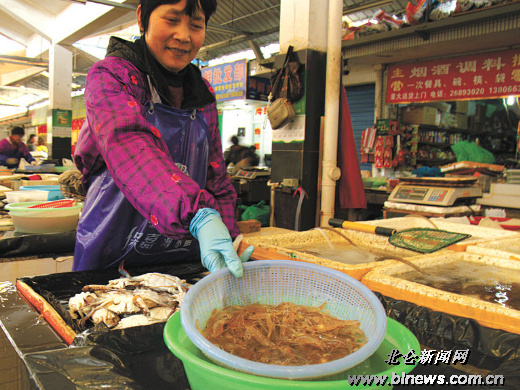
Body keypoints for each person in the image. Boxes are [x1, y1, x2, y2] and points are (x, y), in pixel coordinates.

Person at [73, 0, 253, 276]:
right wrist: (199, 215)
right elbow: (128, 143)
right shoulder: (110, 76)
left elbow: (215, 177)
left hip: (182, 256)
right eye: (171, 20)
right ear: (142, 19)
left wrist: (230, 239)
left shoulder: (202, 93)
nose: (184, 36)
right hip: (110, 251)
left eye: (196, 25)